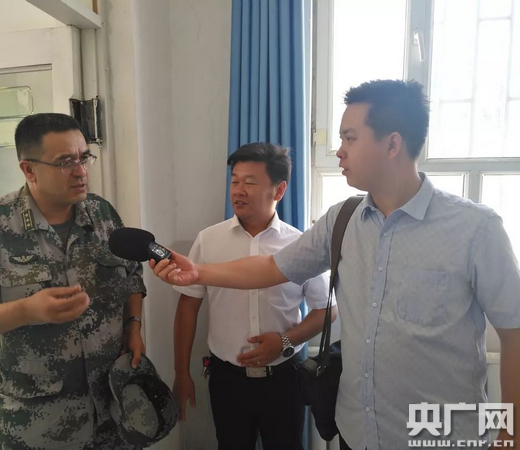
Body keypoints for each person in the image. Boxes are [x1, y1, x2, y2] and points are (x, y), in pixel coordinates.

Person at [151, 80, 520, 449]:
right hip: (357, 432)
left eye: (350, 138)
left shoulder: (476, 229)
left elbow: (515, 332)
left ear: (392, 144)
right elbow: (271, 267)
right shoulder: (342, 220)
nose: (339, 151)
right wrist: (199, 272)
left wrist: (511, 435)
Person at [0, 113, 147, 450]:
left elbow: (132, 273)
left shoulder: (101, 214)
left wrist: (133, 325)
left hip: (114, 418)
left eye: (83, 158)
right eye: (65, 162)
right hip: (37, 429)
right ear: (29, 170)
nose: (81, 171)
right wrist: (26, 311)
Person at [173, 142, 331, 450]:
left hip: (284, 379)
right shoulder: (209, 240)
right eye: (235, 181)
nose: (238, 191)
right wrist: (181, 372)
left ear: (279, 190)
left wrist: (284, 341)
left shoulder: (298, 245)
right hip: (227, 379)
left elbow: (327, 310)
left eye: (250, 182)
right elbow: (187, 307)